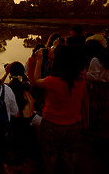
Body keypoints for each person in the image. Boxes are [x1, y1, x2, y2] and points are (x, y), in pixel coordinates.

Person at [33, 44, 89, 174]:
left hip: (52, 125)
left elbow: (36, 80)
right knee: (68, 154)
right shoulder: (81, 78)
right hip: (74, 124)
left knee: (49, 154)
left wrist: (39, 60)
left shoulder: (51, 81)